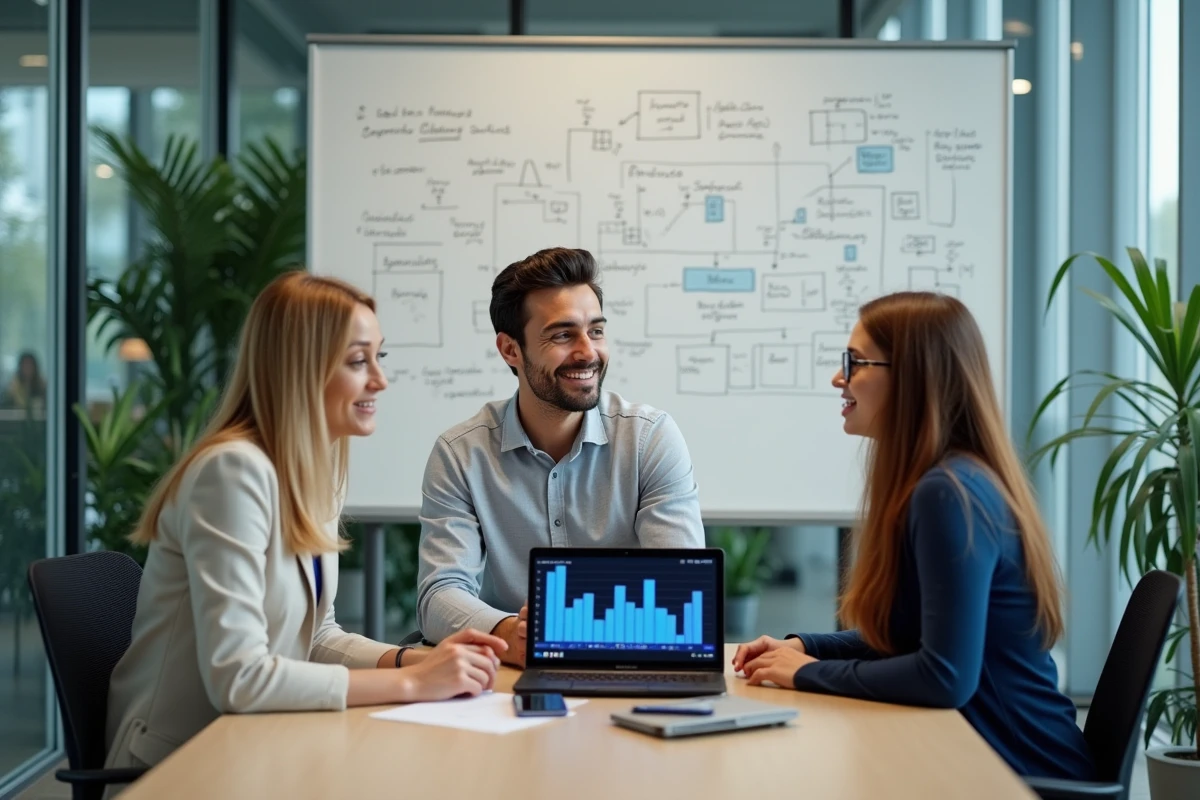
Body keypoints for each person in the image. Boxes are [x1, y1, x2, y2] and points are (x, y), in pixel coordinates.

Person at [104, 271, 508, 774]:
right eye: (358, 361)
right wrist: (413, 685)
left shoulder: (312, 472)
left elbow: (315, 637)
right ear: (301, 369)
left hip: (261, 741)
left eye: (378, 358)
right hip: (181, 762)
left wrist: (414, 660)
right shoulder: (231, 472)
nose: (379, 380)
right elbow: (239, 678)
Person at [732, 291, 1096, 782]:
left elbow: (944, 677)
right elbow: (917, 635)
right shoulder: (949, 481)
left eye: (855, 362)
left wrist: (805, 673)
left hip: (1018, 774)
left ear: (912, 377)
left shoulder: (949, 494)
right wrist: (804, 645)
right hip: (979, 753)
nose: (839, 378)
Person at [417, 247, 704, 666]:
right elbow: (439, 594)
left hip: (630, 663)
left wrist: (574, 630)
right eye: (563, 335)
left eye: (597, 331)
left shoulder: (649, 439)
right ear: (511, 350)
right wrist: (509, 632)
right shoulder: (461, 454)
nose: (588, 352)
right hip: (511, 673)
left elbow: (678, 588)